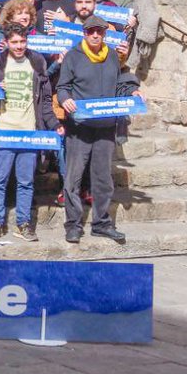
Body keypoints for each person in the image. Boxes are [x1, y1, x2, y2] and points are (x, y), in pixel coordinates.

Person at [56, 15, 142, 244]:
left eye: (100, 32)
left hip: (105, 128)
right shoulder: (73, 57)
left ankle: (101, 223)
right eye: (91, 31)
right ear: (84, 33)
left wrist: (132, 93)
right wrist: (65, 100)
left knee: (103, 179)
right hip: (79, 128)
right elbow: (62, 87)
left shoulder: (113, 55)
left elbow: (121, 83)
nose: (95, 35)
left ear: (105, 34)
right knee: (73, 178)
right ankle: (73, 225)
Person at [0, 22, 62, 242]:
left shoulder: (37, 62)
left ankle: (23, 224)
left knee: (26, 181)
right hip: (3, 132)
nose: (19, 46)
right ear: (6, 42)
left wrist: (54, 124)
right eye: (14, 42)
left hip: (28, 133)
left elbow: (45, 101)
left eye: (22, 41)